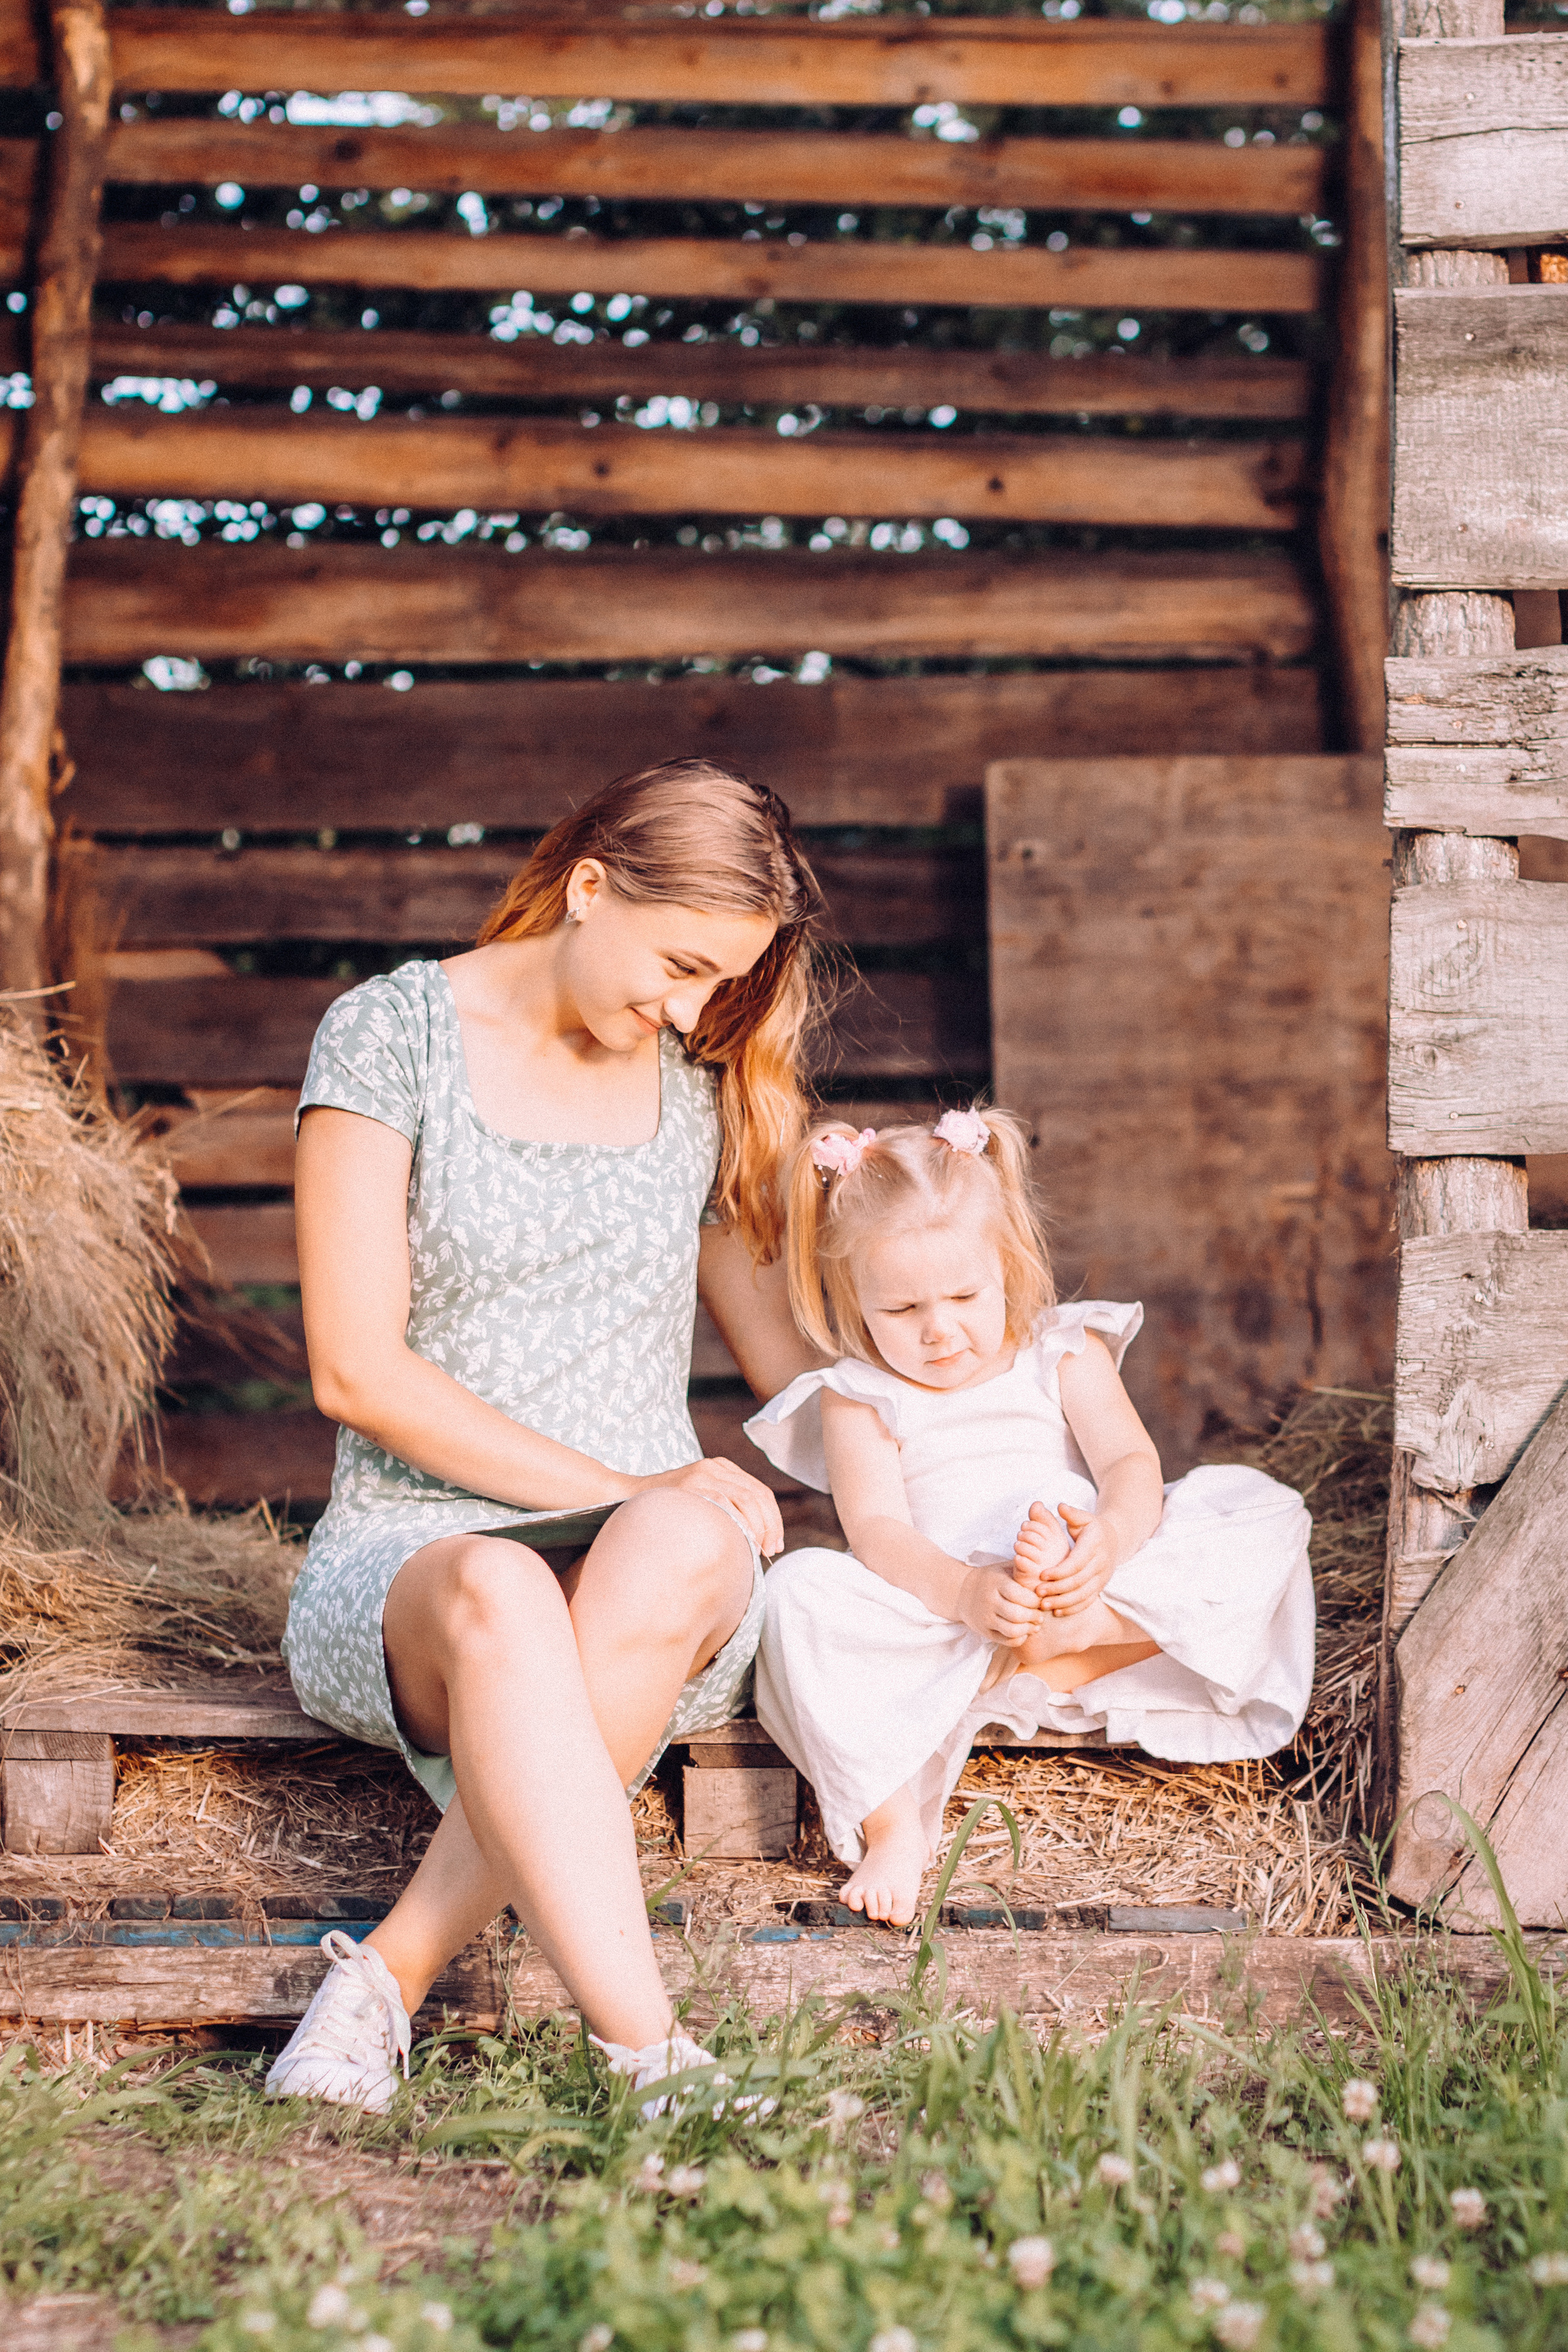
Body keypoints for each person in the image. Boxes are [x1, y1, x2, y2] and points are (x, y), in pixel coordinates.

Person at [265, 760, 823, 2113]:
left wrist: (989, 1444)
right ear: (587, 887)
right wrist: (633, 1479)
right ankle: (651, 2057)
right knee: (507, 1582)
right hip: (416, 1549)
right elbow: (356, 1370)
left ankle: (381, 1984)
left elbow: (800, 1381)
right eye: (682, 964)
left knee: (678, 1540)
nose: (691, 1010)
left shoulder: (700, 1090)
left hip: (648, 1568)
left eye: (722, 988)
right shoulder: (389, 1035)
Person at [745, 1107, 1314, 1927]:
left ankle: (1079, 1630)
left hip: (1087, 1577)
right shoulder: (857, 1395)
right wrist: (968, 1592)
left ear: (1007, 1265)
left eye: (965, 1296)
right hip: (953, 1617)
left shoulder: (1062, 1348)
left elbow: (1130, 1464)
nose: (939, 1331)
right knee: (799, 1590)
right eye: (901, 1312)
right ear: (850, 1296)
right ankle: (893, 1826)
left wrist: (1112, 1542)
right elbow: (876, 1533)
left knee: (1262, 1511)